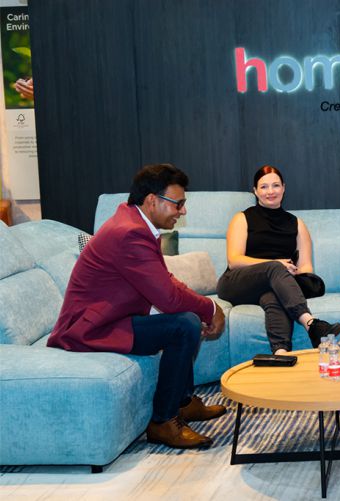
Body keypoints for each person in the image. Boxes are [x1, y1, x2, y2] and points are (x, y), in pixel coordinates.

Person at [48, 163, 228, 449]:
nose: (183, 211)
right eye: (178, 204)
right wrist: (209, 308)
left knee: (184, 317)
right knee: (184, 324)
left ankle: (182, 402)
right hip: (91, 329)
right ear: (152, 201)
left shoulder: (137, 223)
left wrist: (203, 305)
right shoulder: (128, 233)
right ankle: (163, 421)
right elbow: (167, 298)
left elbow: (164, 281)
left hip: (113, 318)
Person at [216, 165, 340, 355]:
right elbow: (234, 260)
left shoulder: (297, 224)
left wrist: (293, 271)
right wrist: (276, 265)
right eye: (264, 187)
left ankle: (281, 353)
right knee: (274, 268)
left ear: (283, 187)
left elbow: (306, 266)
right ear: (255, 191)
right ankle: (311, 323)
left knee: (273, 296)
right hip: (236, 283)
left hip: (275, 282)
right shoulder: (242, 218)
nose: (270, 191)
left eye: (275, 185)